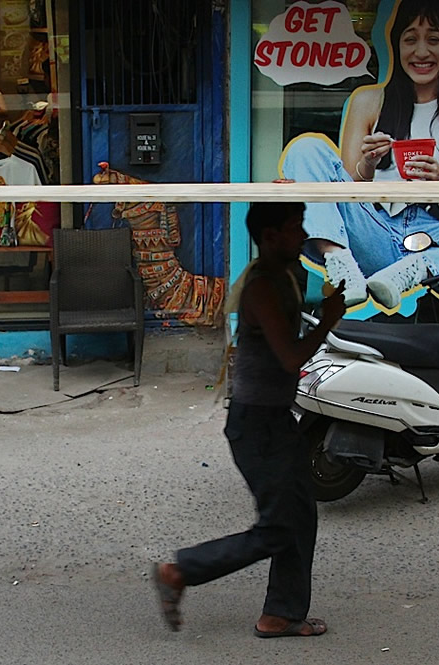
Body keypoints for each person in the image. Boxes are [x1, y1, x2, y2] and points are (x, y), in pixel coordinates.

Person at [152, 202, 346, 638]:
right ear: (271, 235)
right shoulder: (261, 285)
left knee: (301, 516)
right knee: (279, 527)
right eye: (295, 228)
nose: (302, 236)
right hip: (256, 425)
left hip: (277, 420)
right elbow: (290, 356)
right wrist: (329, 321)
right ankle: (179, 571)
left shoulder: (285, 275)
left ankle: (281, 614)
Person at [281, 0, 439, 310]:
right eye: (410, 39)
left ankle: (420, 268)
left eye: (434, 39)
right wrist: (368, 164)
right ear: (396, 46)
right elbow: (345, 189)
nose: (421, 52)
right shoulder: (369, 100)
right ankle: (342, 267)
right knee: (304, 149)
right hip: (374, 229)